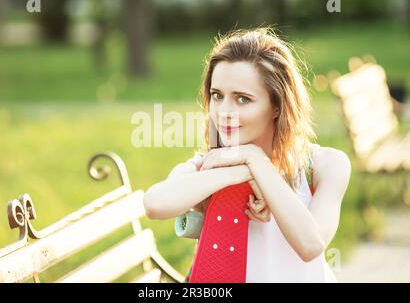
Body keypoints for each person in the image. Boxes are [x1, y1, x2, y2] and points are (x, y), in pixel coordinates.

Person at [143, 28, 351, 282]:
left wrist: (258, 161)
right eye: (217, 96)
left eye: (242, 99)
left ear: (277, 105)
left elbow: (311, 245)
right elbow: (155, 204)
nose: (224, 112)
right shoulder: (208, 167)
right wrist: (243, 169)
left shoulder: (324, 166)